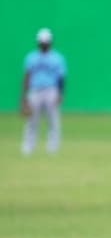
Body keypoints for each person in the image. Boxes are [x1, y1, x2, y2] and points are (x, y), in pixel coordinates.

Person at [20, 28, 67, 156]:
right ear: (38, 42)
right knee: (31, 120)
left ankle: (52, 147)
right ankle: (28, 147)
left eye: (46, 42)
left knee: (53, 120)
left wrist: (60, 93)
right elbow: (27, 76)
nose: (44, 44)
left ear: (50, 42)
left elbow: (61, 77)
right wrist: (24, 96)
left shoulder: (57, 58)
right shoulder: (31, 57)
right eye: (42, 42)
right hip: (35, 90)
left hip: (51, 90)